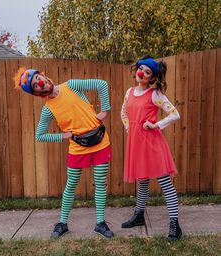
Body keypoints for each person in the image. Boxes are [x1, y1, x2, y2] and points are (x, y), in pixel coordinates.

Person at [14, 67, 114, 239]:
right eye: (35, 85)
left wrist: (105, 109)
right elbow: (40, 135)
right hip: (77, 148)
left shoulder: (71, 85)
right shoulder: (48, 110)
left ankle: (100, 223)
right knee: (71, 185)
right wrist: (63, 136)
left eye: (38, 77)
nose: (40, 83)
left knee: (99, 182)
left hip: (100, 142)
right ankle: (62, 223)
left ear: (43, 75)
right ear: (36, 93)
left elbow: (101, 84)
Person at [121, 55, 182, 241]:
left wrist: (157, 125)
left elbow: (175, 114)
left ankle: (175, 224)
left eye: (147, 72)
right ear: (136, 70)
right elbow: (123, 111)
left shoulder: (155, 95)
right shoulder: (129, 92)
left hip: (152, 144)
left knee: (164, 182)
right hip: (136, 144)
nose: (142, 73)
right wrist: (128, 126)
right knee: (142, 180)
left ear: (152, 78)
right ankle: (139, 215)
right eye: (141, 69)